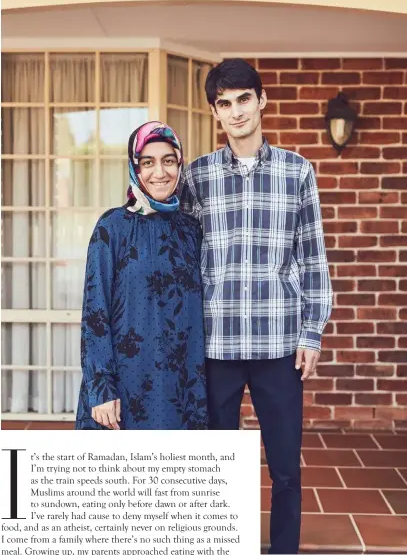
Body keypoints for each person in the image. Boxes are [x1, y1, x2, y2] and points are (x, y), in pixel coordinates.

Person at [179, 59, 333, 554]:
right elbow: (179, 259)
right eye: (225, 103)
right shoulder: (196, 177)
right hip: (216, 344)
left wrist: (312, 333)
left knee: (286, 465)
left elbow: (312, 256)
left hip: (278, 346)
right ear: (215, 113)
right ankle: (226, 545)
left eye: (244, 98)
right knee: (217, 464)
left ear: (262, 101)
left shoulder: (297, 171)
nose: (236, 110)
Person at [76, 121, 207, 430]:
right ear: (135, 167)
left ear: (179, 164)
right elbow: (95, 312)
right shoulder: (112, 227)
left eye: (168, 160)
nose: (159, 172)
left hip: (182, 388)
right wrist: (101, 386)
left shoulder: (191, 230)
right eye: (147, 162)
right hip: (125, 387)